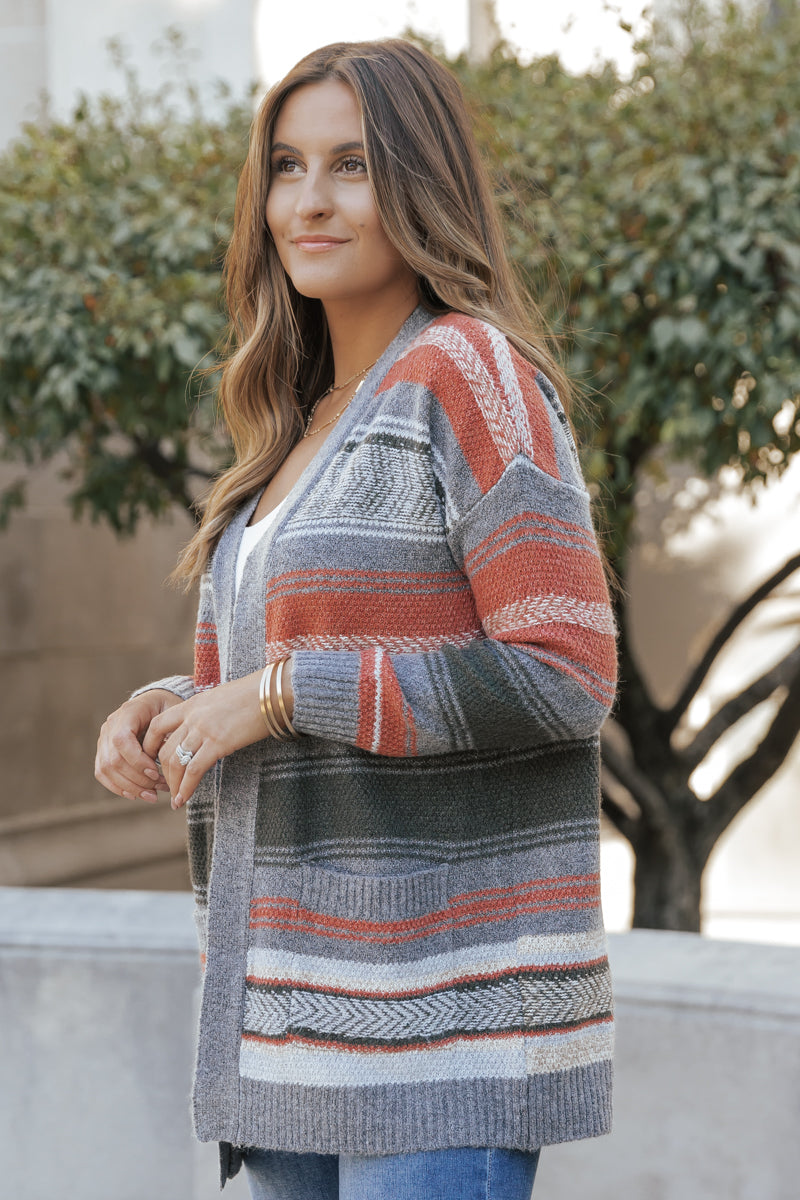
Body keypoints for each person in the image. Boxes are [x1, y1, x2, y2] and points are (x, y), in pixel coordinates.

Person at [95, 39, 617, 1200]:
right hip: (288, 1029)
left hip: (442, 1033)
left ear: (419, 183)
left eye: (351, 166)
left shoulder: (467, 373)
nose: (309, 202)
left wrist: (278, 694)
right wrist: (175, 708)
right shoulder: (292, 420)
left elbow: (564, 671)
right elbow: (294, 679)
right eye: (286, 167)